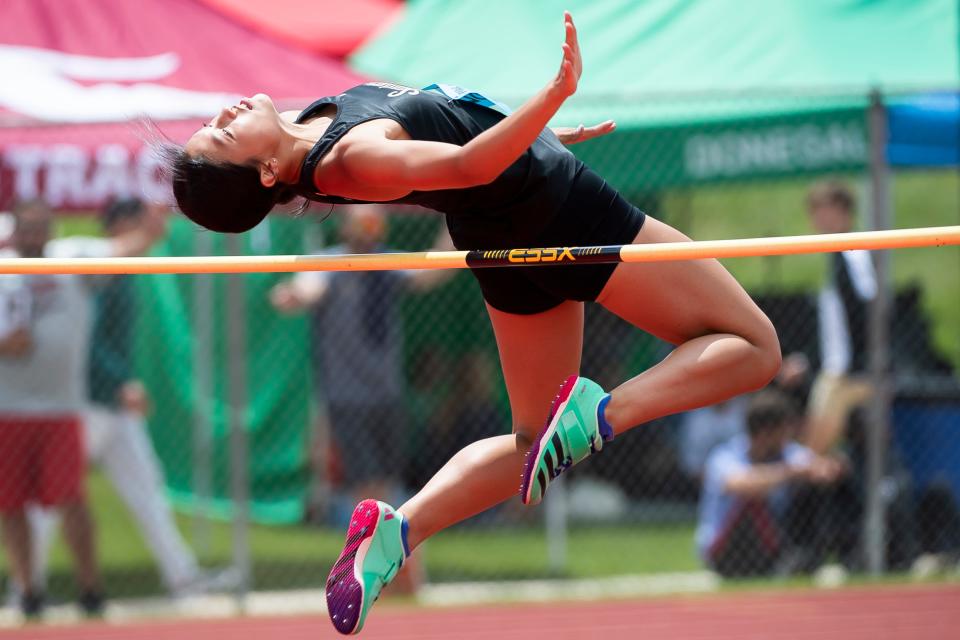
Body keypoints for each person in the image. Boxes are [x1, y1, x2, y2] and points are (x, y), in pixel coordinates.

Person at [167, 13, 781, 634]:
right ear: (267, 174)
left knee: (531, 442)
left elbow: (450, 150)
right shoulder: (348, 155)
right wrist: (551, 96)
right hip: (557, 212)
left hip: (507, 226)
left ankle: (397, 532)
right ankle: (602, 416)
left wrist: (536, 136)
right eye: (223, 135)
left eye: (212, 124)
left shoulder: (320, 132)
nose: (224, 114)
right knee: (755, 348)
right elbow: (467, 168)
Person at [23, 198, 232, 600]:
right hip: (84, 402)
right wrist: (117, 381)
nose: (143, 232)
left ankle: (184, 580)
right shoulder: (91, 269)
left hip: (112, 407)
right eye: (135, 223)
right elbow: (82, 342)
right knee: (48, 502)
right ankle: (25, 586)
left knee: (147, 490)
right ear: (119, 226)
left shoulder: (124, 272)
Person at [0, 197, 162, 619]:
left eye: (41, 225)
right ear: (15, 230)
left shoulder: (69, 257)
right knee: (12, 504)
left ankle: (90, 590)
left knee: (72, 499)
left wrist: (153, 224)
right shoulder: (3, 270)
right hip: (9, 409)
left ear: (51, 228)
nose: (35, 234)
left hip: (61, 406)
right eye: (27, 226)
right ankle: (28, 589)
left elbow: (125, 250)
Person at [269, 205, 453, 512]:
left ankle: (397, 551)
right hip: (348, 395)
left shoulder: (386, 262)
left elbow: (430, 274)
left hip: (386, 391)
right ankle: (370, 548)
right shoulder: (329, 263)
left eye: (374, 221)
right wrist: (295, 294)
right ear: (345, 227)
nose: (369, 227)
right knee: (365, 484)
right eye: (361, 221)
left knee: (390, 480)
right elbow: (308, 288)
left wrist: (454, 230)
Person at [695, 389, 847, 578]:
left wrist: (830, 467)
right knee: (753, 500)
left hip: (773, 538)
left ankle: (817, 554)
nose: (788, 437)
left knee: (811, 489)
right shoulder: (726, 455)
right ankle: (781, 560)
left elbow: (818, 468)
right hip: (726, 546)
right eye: (783, 432)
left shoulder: (785, 453)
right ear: (765, 433)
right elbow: (739, 484)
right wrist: (789, 473)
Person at [791, 180, 877, 454]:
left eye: (822, 211)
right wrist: (809, 360)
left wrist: (857, 365)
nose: (816, 219)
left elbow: (865, 313)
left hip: (848, 373)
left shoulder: (854, 255)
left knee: (813, 451)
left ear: (842, 212)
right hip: (837, 369)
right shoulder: (838, 257)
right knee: (816, 449)